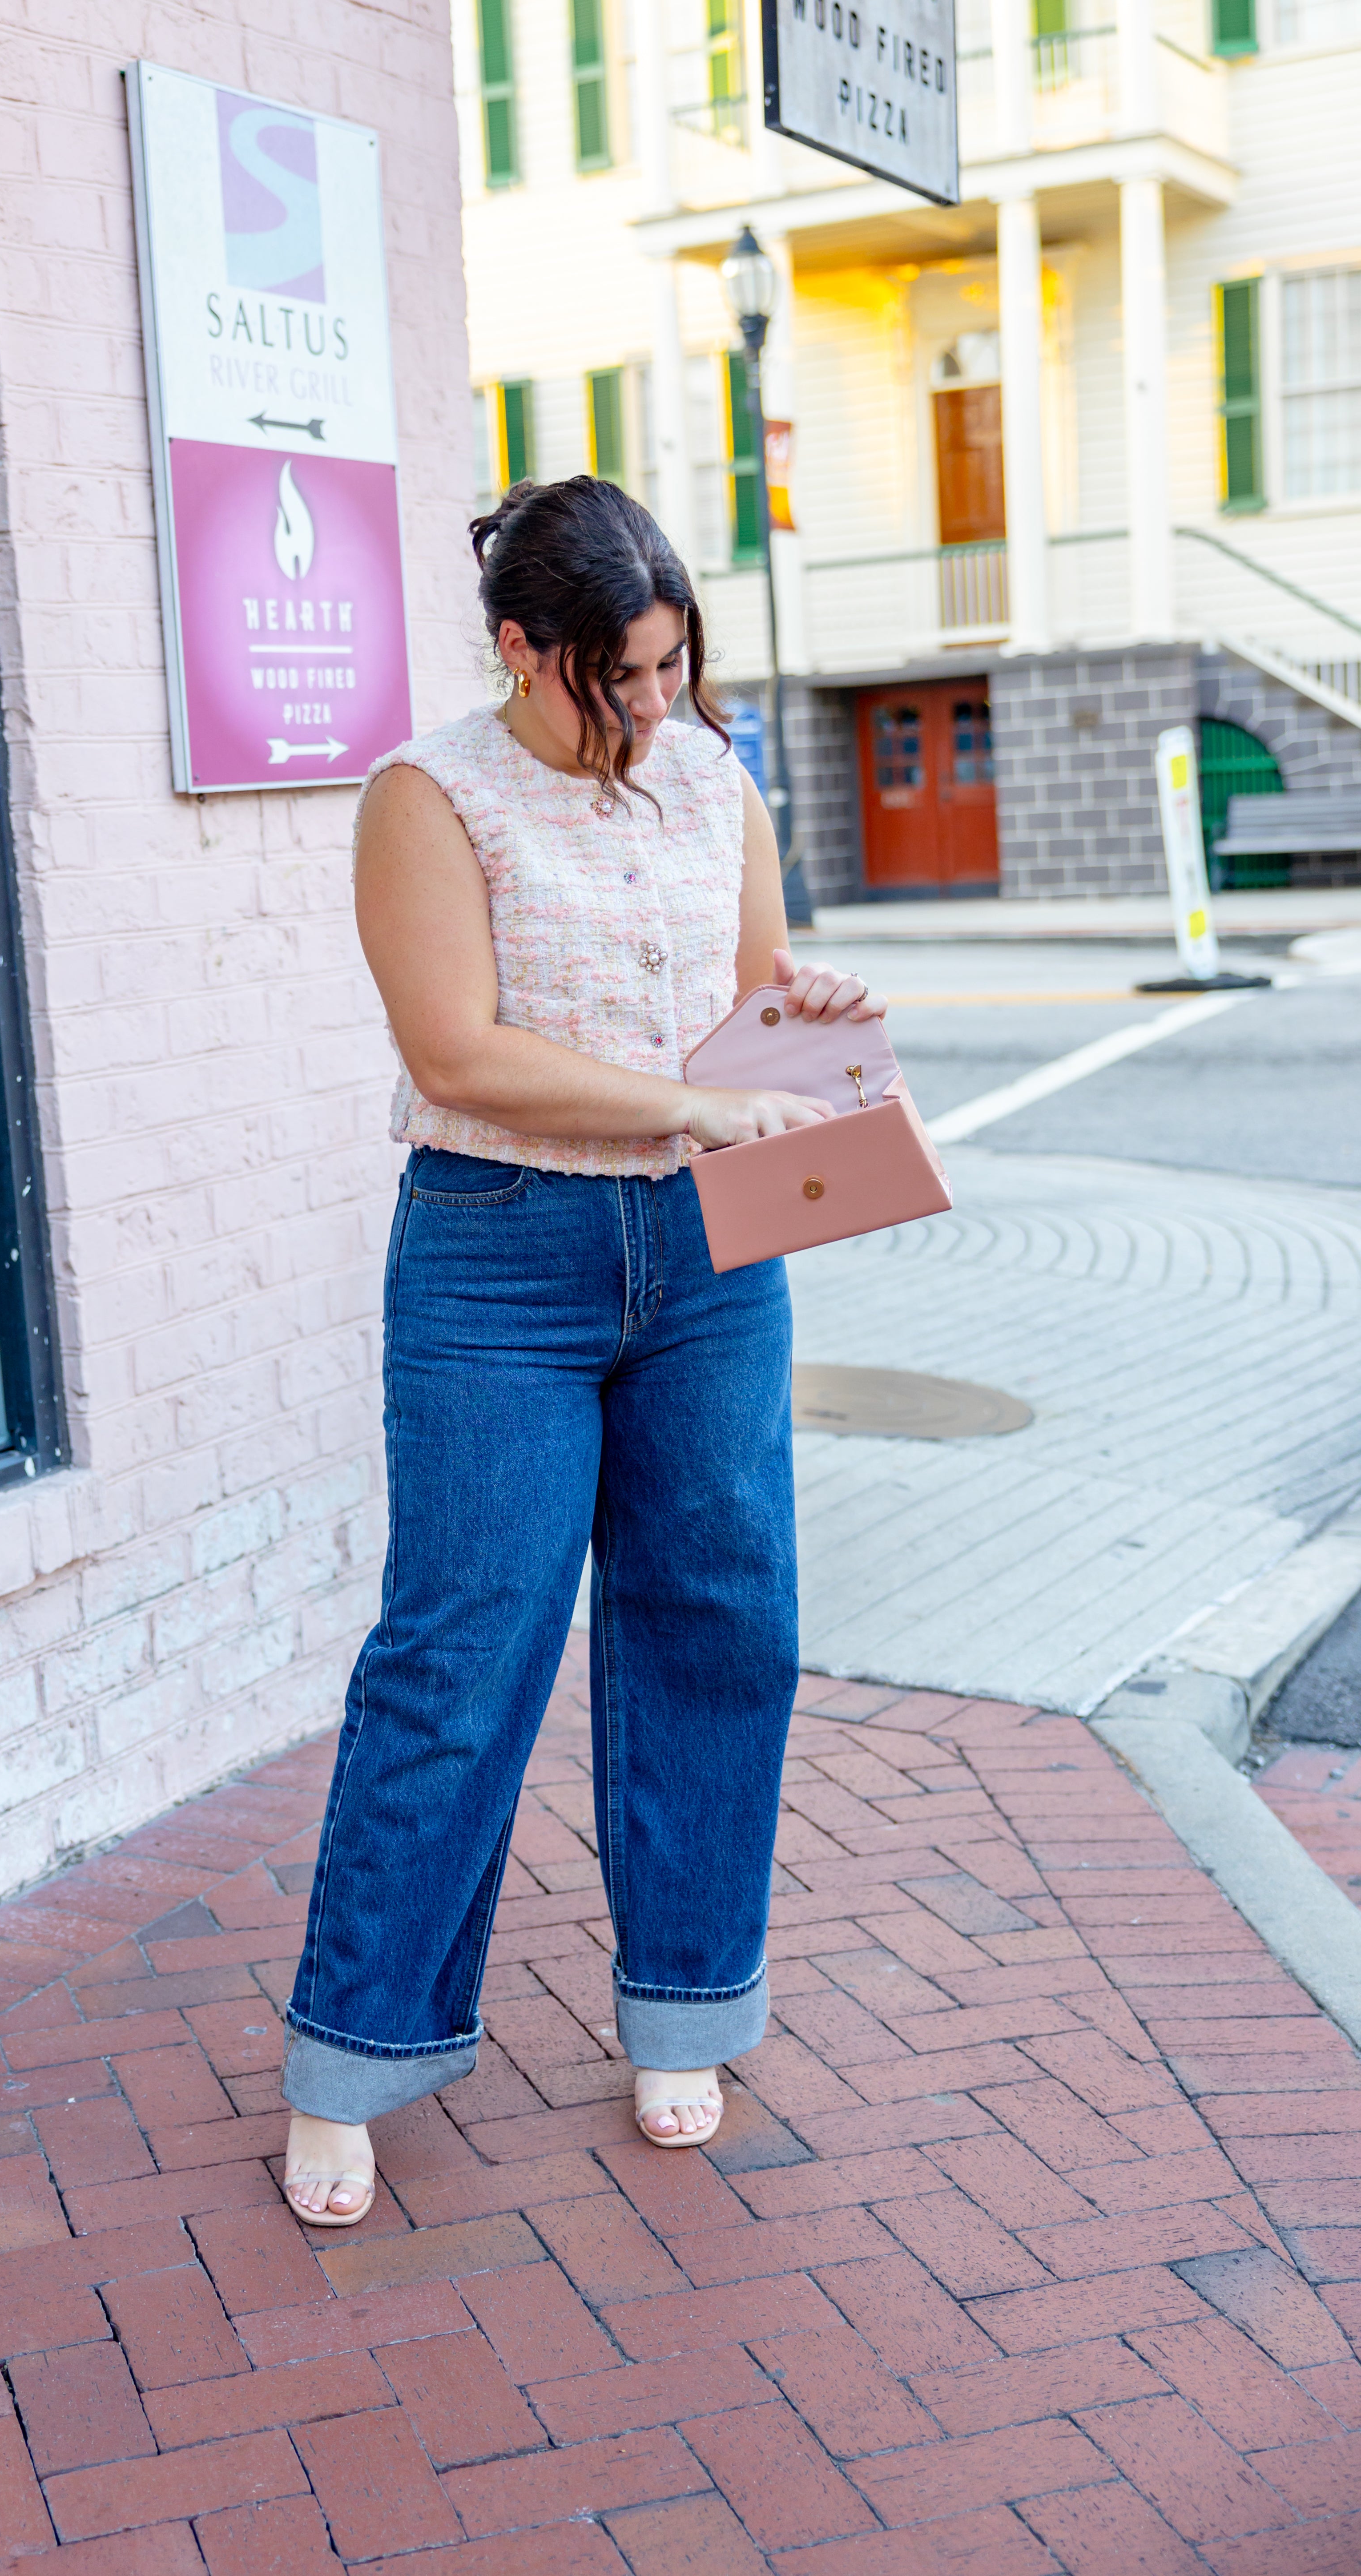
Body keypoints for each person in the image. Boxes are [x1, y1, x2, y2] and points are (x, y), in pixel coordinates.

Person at [281, 475, 886, 2225]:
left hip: (709, 1251)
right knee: (464, 1643)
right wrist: (690, 1097)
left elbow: (747, 988)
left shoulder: (714, 775)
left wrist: (805, 1009)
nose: (646, 709)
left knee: (722, 1610)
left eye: (667, 668)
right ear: (519, 649)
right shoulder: (425, 796)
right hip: (499, 1258)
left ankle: (685, 2003)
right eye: (612, 676)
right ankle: (356, 2051)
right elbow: (457, 1055)